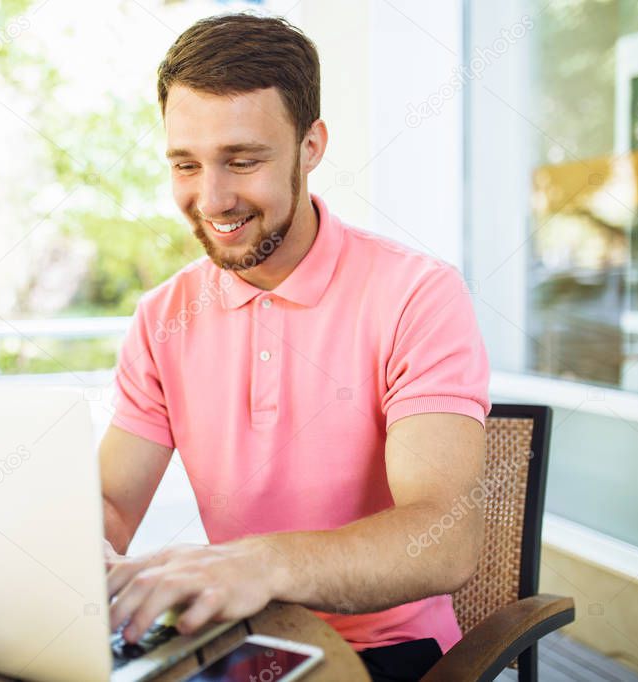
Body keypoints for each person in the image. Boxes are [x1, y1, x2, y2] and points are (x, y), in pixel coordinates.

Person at [100, 13, 490, 681]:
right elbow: (110, 503)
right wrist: (76, 555)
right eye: (186, 164)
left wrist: (259, 562)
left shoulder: (416, 294)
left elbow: (445, 537)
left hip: (390, 654)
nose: (212, 198)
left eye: (242, 160)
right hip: (240, 641)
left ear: (311, 146)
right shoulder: (162, 316)